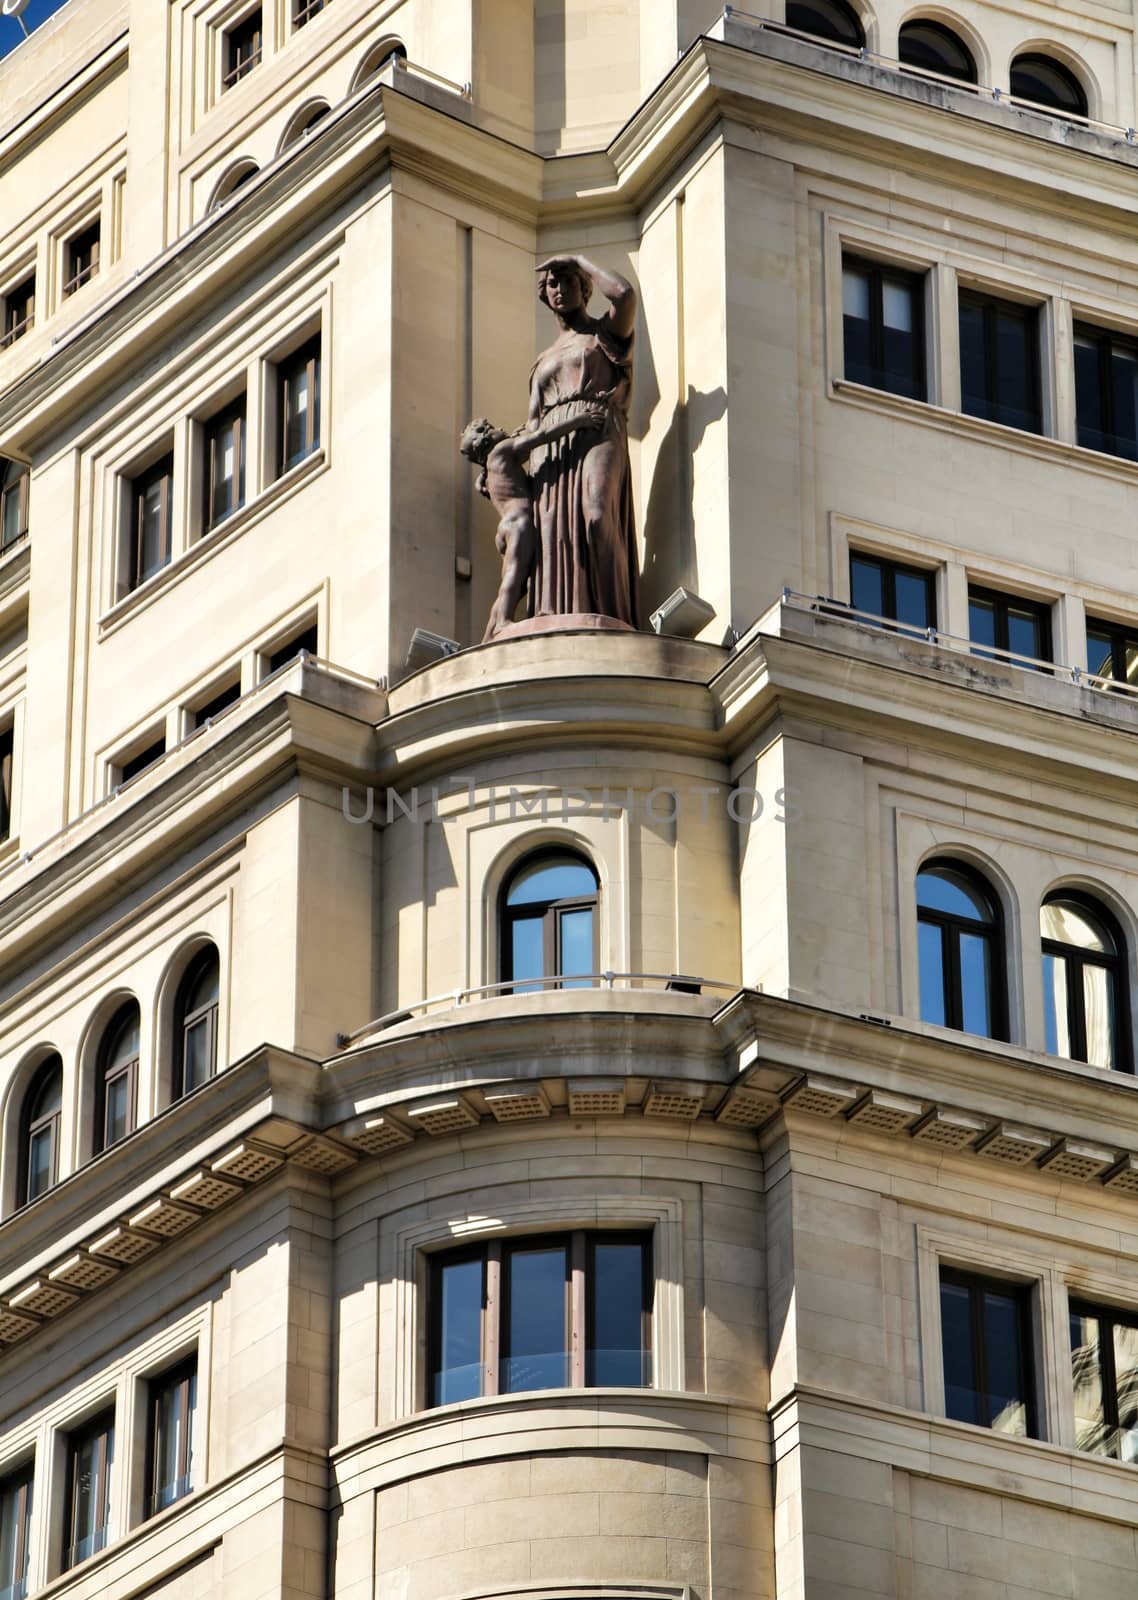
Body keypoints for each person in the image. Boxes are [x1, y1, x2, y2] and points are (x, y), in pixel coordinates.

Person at [526, 253, 640, 626]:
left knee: (596, 514)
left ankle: (613, 615)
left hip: (597, 428)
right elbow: (532, 423)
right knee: (553, 536)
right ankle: (566, 612)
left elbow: (624, 295)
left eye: (569, 281)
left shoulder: (604, 334)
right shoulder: (542, 359)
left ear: (585, 288)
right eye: (552, 284)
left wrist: (578, 260)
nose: (559, 290)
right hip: (551, 448)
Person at [461, 405, 607, 641]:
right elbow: (541, 437)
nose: (500, 429)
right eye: (492, 429)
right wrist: (579, 421)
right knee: (514, 576)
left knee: (516, 584)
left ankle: (488, 635)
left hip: (506, 528)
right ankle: (502, 622)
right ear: (487, 441)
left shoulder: (488, 473)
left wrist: (520, 434)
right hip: (520, 523)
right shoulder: (501, 451)